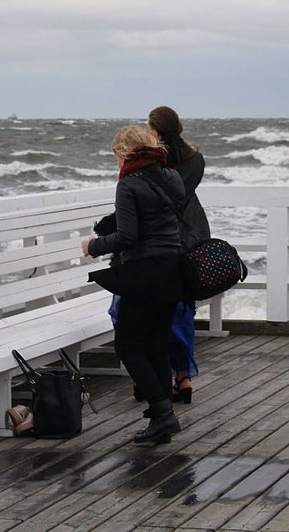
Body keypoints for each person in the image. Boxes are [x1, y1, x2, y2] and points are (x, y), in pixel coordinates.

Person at [82, 125, 185, 445]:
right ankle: (161, 417)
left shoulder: (129, 183)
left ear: (125, 153)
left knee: (127, 345)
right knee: (154, 342)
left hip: (145, 272)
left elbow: (129, 237)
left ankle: (162, 412)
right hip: (174, 269)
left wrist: (92, 247)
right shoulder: (171, 177)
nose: (115, 162)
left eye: (115, 155)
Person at [147, 105, 211, 404]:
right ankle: (183, 376)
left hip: (163, 237)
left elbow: (156, 199)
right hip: (193, 233)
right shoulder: (195, 159)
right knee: (183, 308)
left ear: (155, 130)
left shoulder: (155, 161)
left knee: (151, 309)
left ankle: (150, 378)